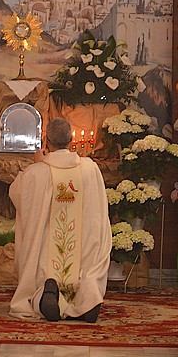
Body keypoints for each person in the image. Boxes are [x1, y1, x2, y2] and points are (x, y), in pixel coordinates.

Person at [9, 117, 111, 323]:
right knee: (85, 275)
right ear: (71, 140)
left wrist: (36, 165)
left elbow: (17, 195)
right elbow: (98, 211)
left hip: (46, 256)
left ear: (46, 141)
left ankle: (46, 294)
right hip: (82, 254)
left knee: (42, 272)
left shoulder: (36, 172)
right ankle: (87, 299)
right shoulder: (90, 168)